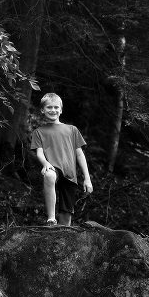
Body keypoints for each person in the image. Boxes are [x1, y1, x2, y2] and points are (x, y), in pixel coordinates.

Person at [30, 93, 93, 226]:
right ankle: (51, 219)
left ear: (61, 110)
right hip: (53, 168)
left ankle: (63, 235)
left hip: (70, 174)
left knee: (66, 217)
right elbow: (39, 153)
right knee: (49, 175)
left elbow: (80, 155)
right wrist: (45, 163)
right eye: (49, 107)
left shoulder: (72, 130)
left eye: (56, 107)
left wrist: (87, 178)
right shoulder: (38, 132)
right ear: (42, 110)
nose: (53, 110)